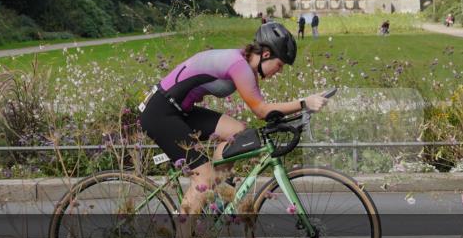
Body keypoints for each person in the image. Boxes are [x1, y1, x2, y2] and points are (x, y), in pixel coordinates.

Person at [139, 22, 327, 225]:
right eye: (279, 65)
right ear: (265, 55)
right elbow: (261, 110)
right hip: (160, 112)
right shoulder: (240, 66)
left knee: (237, 132)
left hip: (178, 109)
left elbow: (266, 111)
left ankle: (213, 197)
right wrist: (303, 103)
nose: (279, 71)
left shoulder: (245, 66)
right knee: (204, 178)